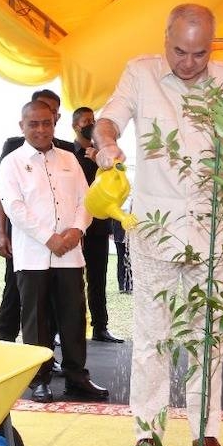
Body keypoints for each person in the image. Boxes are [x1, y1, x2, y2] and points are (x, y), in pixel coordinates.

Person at [93, 3, 223, 446]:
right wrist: (107, 142)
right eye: (179, 51)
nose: (188, 63)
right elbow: (109, 119)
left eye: (199, 53)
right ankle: (147, 432)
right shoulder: (140, 73)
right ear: (165, 38)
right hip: (154, 233)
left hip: (211, 233)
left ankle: (205, 431)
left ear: (213, 46)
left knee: (209, 336)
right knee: (151, 337)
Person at [0, 100, 108, 403]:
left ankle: (76, 377)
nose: (41, 129)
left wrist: (76, 230)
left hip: (70, 253)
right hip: (33, 254)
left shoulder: (69, 159)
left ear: (55, 123)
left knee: (74, 315)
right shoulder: (13, 162)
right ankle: (40, 378)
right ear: (22, 126)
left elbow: (87, 200)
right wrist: (49, 238)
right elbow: (14, 206)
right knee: (35, 319)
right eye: (34, 123)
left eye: (46, 123)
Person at [0, 90, 73, 343]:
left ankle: (46, 354)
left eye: (50, 115)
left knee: (50, 302)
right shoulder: (13, 147)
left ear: (56, 116)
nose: (42, 123)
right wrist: (0, 232)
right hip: (22, 238)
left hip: (60, 244)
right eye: (35, 116)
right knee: (14, 294)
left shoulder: (67, 151)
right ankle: (5, 347)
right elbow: (2, 195)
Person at [72, 106, 123, 343]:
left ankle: (100, 327)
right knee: (72, 280)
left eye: (93, 120)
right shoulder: (66, 154)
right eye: (85, 121)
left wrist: (101, 163)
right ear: (75, 126)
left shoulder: (103, 155)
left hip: (99, 226)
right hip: (74, 228)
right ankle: (70, 328)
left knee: (98, 277)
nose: (90, 124)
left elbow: (117, 184)